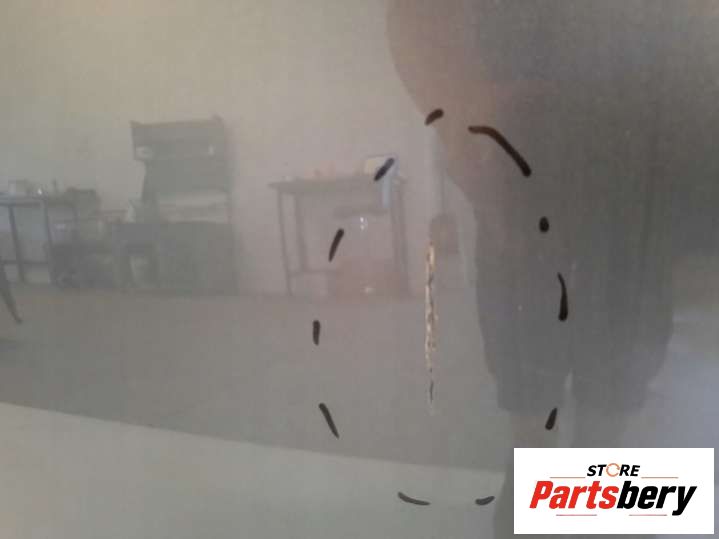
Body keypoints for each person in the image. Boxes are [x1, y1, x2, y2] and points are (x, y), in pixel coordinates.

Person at [387, 1, 684, 536]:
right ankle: (554, 496)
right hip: (531, 130)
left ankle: (585, 500)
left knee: (609, 384)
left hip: (638, 131)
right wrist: (463, 126)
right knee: (536, 386)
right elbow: (417, 13)